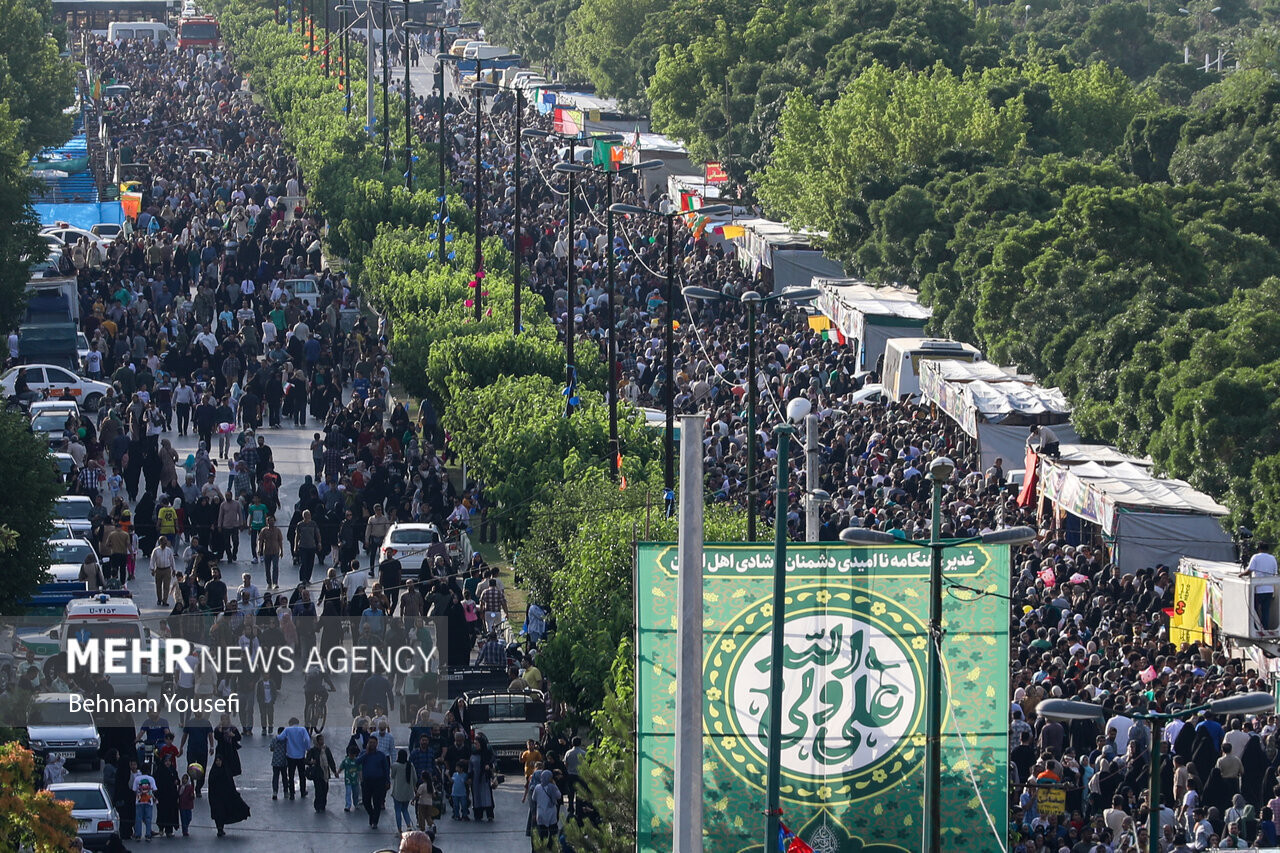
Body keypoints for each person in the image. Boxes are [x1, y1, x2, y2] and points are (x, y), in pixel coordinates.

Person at [207, 754, 251, 837]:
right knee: (218, 813)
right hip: (216, 797)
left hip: (225, 796)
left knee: (223, 812)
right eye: (217, 761)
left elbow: (231, 783)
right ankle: (219, 829)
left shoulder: (226, 771)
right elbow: (211, 786)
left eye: (219, 760)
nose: (218, 762)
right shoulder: (213, 772)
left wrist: (234, 793)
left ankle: (221, 829)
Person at [357, 735, 391, 828]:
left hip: (378, 782)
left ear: (377, 744)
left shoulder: (381, 755)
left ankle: (375, 821)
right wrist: (366, 754)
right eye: (370, 742)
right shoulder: (364, 753)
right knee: (366, 801)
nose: (372, 744)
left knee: (377, 802)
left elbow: (386, 769)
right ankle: (371, 814)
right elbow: (357, 762)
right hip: (367, 781)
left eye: (373, 743)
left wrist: (387, 780)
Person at [278, 717, 312, 799]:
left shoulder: (287, 730)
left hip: (291, 755)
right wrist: (307, 748)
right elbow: (307, 739)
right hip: (301, 755)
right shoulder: (302, 729)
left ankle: (292, 793)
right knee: (302, 775)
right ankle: (303, 791)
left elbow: (280, 738)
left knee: (291, 775)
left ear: (290, 723)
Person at [306, 732, 339, 812]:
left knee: (325, 789)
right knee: (318, 790)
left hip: (325, 773)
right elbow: (306, 760)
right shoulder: (312, 750)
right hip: (317, 774)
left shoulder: (326, 749)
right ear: (316, 741)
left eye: (322, 739)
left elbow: (330, 760)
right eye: (320, 740)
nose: (322, 741)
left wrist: (335, 771)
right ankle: (317, 806)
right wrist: (311, 762)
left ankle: (323, 805)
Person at [1249, 542, 1277, 629]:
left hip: (1258, 590)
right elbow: (1275, 573)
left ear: (1259, 548)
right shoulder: (1273, 558)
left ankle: (1256, 628)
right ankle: (1265, 628)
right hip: (1269, 590)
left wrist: (1241, 574)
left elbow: (1250, 570)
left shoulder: (1256, 557)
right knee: (1266, 611)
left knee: (1254, 610)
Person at [391, 748, 416, 833]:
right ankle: (408, 825)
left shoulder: (395, 765)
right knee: (405, 809)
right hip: (408, 792)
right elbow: (415, 778)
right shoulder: (410, 765)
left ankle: (399, 829)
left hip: (397, 792)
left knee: (397, 810)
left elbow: (392, 776)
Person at [131, 763, 158, 841]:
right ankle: (148, 834)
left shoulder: (137, 779)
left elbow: (134, 790)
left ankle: (138, 835)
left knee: (138, 818)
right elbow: (155, 789)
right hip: (149, 801)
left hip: (139, 801)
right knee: (148, 818)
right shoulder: (151, 779)